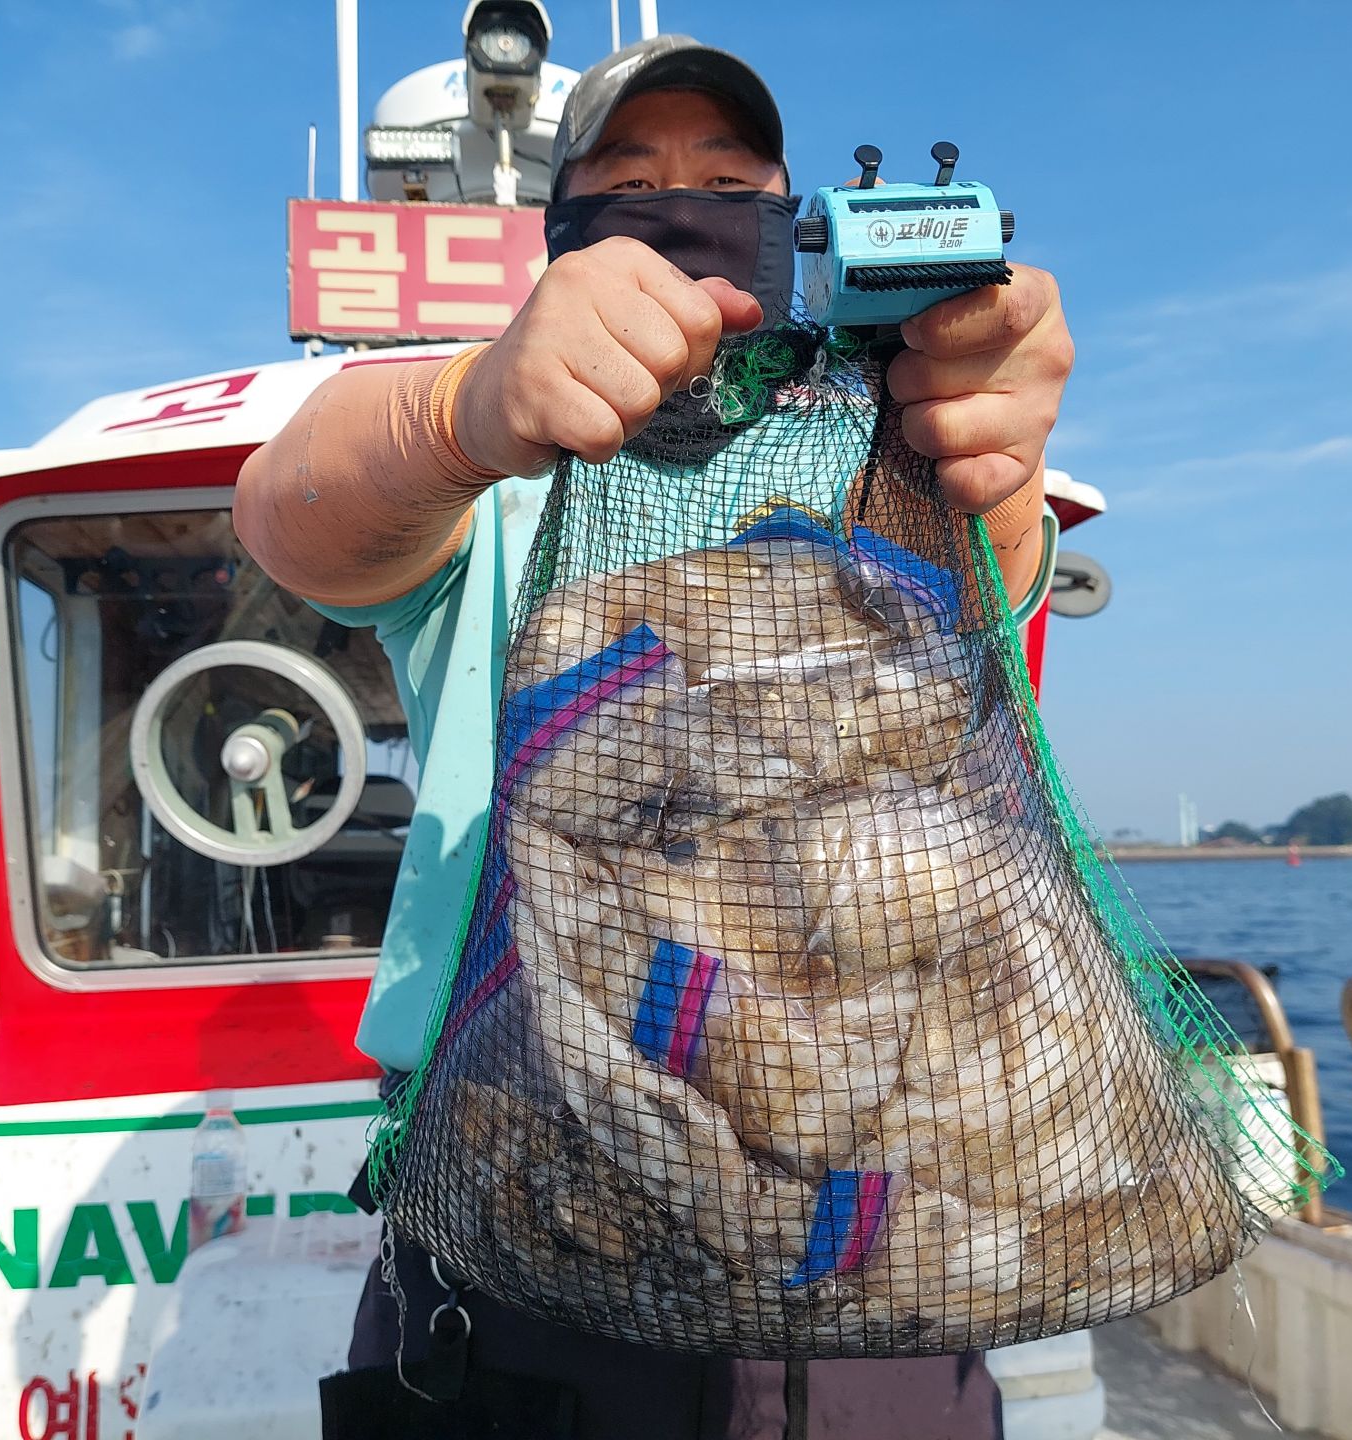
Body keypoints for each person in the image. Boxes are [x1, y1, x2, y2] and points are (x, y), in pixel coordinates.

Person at [236, 34, 1074, 1440]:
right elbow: (291, 514)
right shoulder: (501, 480)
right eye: (629, 181)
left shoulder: (888, 450)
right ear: (558, 229)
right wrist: (467, 407)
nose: (683, 203)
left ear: (801, 222)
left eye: (731, 184)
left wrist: (999, 454)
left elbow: (993, 592)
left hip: (879, 1243)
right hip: (526, 1233)